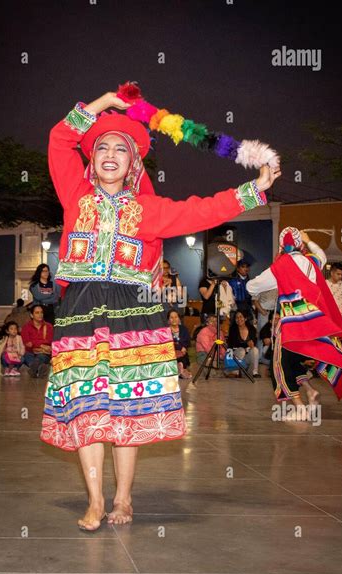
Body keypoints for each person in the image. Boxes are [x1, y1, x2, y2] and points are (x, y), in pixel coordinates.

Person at [41, 91, 280, 531]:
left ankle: (124, 498)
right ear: (90, 159)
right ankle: (94, 501)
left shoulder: (147, 209)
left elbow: (201, 210)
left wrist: (254, 190)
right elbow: (59, 138)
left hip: (133, 312)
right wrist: (105, 101)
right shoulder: (74, 195)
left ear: (133, 163)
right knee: (87, 410)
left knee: (125, 410)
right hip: (80, 310)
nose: (111, 155)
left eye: (121, 150)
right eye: (102, 148)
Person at [246, 228, 342, 419]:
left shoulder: (280, 266)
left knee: (278, 366)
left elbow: (251, 285)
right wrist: (309, 240)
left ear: (282, 245)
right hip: (312, 323)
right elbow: (322, 256)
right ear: (300, 243)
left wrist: (263, 290)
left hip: (291, 324)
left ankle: (299, 407)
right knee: (293, 360)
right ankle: (310, 391)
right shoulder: (311, 261)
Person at [21, 305, 53, 378]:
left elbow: (49, 341)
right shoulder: (26, 327)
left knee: (41, 357)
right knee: (27, 356)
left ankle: (33, 370)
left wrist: (34, 343)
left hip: (44, 353)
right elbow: (27, 343)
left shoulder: (48, 326)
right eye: (37, 313)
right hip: (30, 352)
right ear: (32, 315)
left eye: (41, 312)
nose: (40, 314)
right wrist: (42, 345)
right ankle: (39, 369)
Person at [227, 309, 261, 377]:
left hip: (247, 357)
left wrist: (251, 344)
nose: (239, 319)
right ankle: (236, 371)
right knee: (241, 350)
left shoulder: (252, 329)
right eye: (237, 317)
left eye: (241, 317)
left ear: (245, 318)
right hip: (237, 354)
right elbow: (232, 345)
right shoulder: (232, 329)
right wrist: (246, 346)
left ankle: (255, 372)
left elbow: (253, 342)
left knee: (255, 350)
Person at [167, 309, 191, 379]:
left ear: (179, 319)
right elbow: (169, 343)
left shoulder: (184, 329)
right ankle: (181, 371)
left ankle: (180, 370)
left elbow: (187, 342)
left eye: (176, 317)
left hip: (183, 353)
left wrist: (183, 348)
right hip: (171, 353)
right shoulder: (166, 330)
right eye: (171, 317)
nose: (174, 319)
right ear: (168, 320)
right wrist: (180, 347)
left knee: (182, 358)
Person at [326, 263, 342, 327]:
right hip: (328, 317)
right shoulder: (324, 284)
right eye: (338, 274)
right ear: (332, 273)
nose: (340, 276)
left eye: (341, 274)